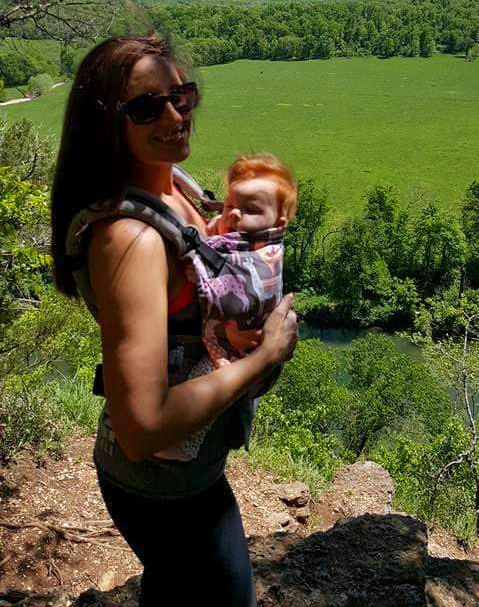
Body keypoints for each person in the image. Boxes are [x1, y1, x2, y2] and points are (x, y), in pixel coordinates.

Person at [51, 35, 297, 607]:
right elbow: (142, 426)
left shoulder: (172, 187)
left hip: (185, 470)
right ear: (106, 124)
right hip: (163, 485)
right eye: (145, 107)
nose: (174, 116)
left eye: (181, 96)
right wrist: (265, 356)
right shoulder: (130, 238)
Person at [170, 153, 297, 461]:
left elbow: (238, 283)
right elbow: (224, 244)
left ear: (279, 221)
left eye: (250, 210)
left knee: (208, 381)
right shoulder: (246, 237)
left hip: (241, 344)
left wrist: (200, 268)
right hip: (249, 341)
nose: (235, 216)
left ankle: (180, 446)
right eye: (230, 206)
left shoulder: (262, 254)